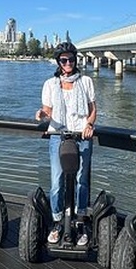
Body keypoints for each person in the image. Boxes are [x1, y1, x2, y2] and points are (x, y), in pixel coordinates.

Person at [35, 41, 97, 246]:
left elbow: (92, 108)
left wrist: (89, 124)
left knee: (82, 180)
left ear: (75, 60)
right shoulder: (50, 84)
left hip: (82, 136)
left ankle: (80, 221)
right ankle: (57, 221)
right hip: (57, 136)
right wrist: (42, 114)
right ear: (59, 62)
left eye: (71, 59)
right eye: (64, 60)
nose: (68, 62)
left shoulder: (86, 81)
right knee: (56, 181)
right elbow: (48, 111)